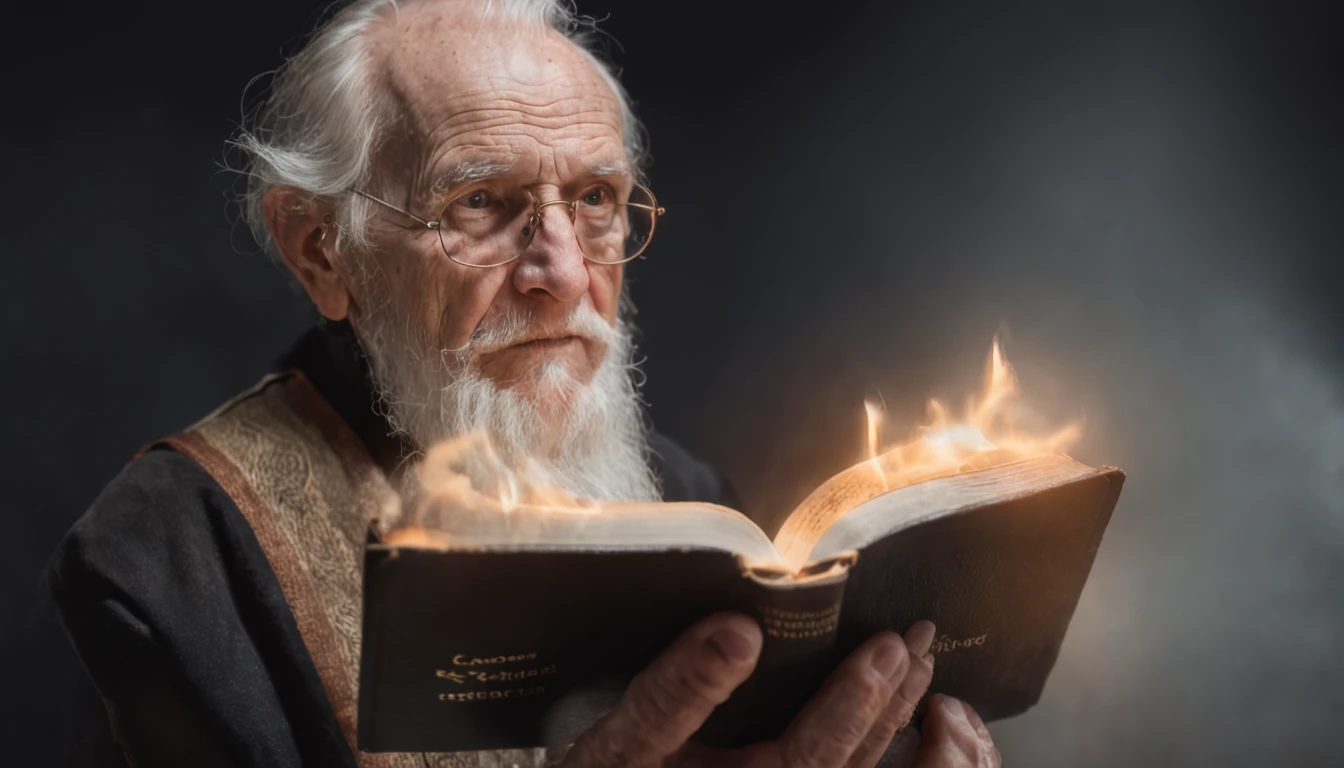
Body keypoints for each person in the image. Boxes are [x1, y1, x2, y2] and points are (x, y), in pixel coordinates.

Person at [47, 1, 1002, 766]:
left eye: (595, 201)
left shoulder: (691, 498)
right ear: (322, 251)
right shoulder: (169, 556)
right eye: (479, 201)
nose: (564, 273)